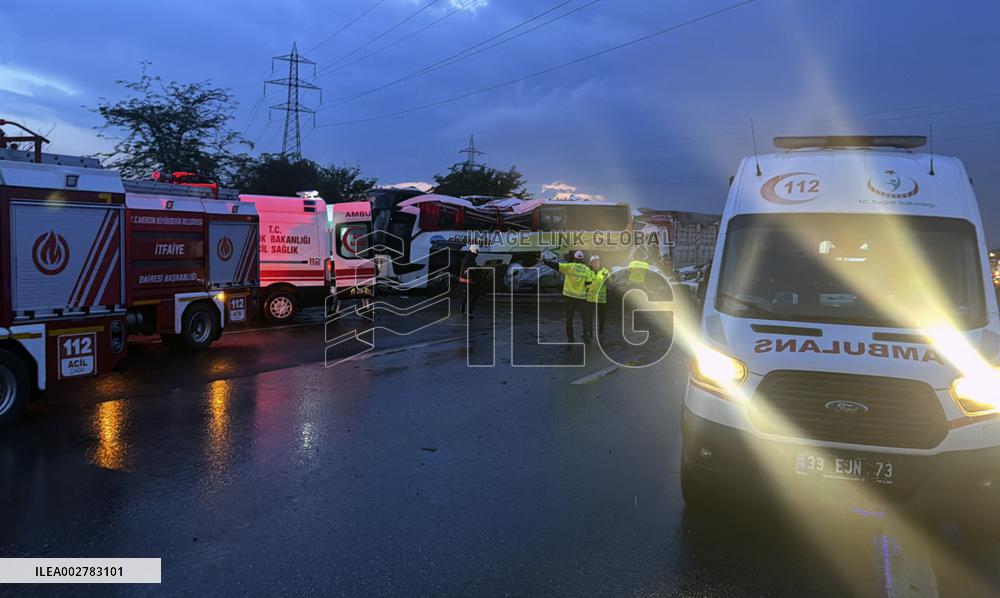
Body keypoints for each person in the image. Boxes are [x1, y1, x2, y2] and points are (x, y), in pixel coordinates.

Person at [540, 250, 592, 346]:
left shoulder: (569, 267)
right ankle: (586, 335)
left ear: (574, 258)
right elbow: (589, 284)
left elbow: (556, 266)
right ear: (582, 259)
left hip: (570, 297)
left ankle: (570, 338)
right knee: (585, 318)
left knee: (569, 319)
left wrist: (545, 261)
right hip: (581, 298)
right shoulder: (587, 269)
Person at [586, 254, 611, 337]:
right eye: (594, 262)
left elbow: (610, 285)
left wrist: (606, 280)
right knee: (588, 317)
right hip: (590, 299)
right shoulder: (587, 271)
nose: (596, 263)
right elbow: (583, 283)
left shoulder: (605, 271)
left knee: (602, 317)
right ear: (590, 263)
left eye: (597, 261)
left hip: (601, 299)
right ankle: (589, 332)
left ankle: (601, 332)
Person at [459, 244, 481, 318]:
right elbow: (468, 270)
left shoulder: (468, 257)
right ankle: (467, 312)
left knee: (466, 297)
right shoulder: (469, 258)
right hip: (468, 281)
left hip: (467, 280)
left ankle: (463, 311)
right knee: (472, 297)